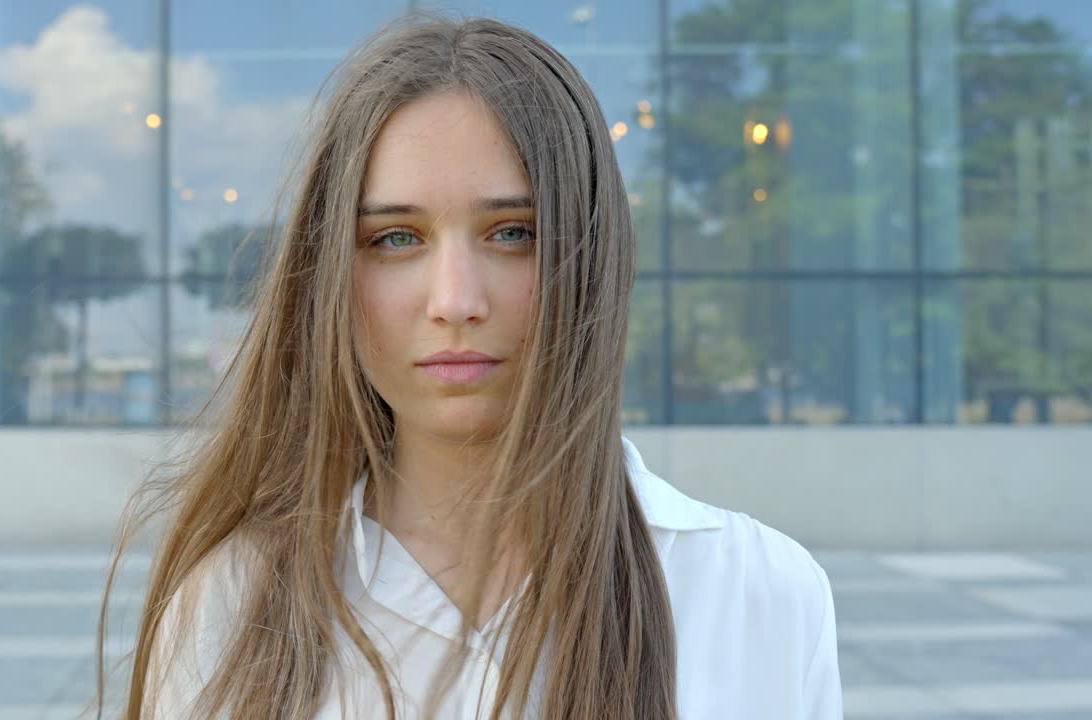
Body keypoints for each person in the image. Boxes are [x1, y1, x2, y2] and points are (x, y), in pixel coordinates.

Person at [92, 13, 842, 720]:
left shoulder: (759, 594)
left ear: (595, 259)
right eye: (395, 239)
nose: (455, 301)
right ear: (328, 281)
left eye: (513, 232)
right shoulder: (231, 604)